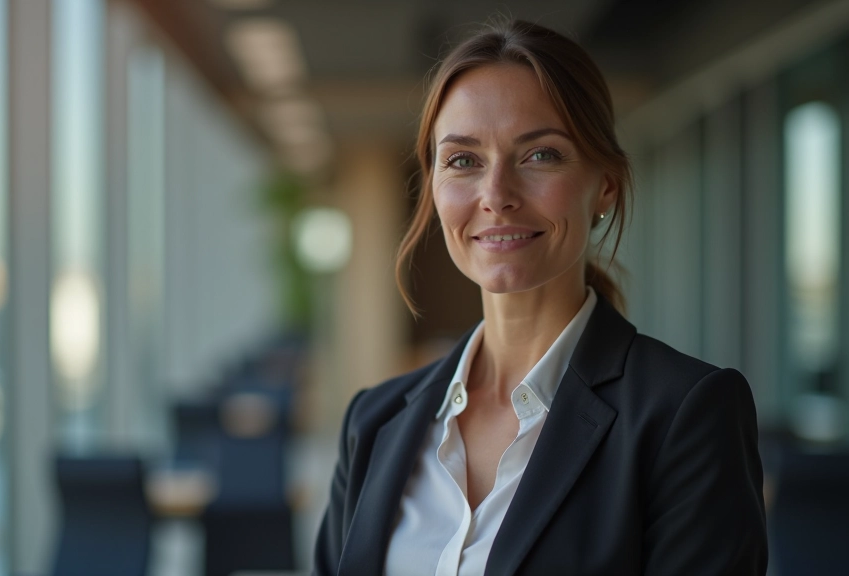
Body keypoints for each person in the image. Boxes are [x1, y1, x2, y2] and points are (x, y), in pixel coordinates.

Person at [313, 19, 767, 576]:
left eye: (540, 155)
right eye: (463, 160)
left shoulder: (685, 415)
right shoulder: (374, 422)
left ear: (605, 183)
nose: (496, 195)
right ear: (433, 186)